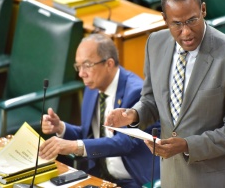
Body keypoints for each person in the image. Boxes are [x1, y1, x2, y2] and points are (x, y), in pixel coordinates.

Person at [105, 0, 225, 188]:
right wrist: (134, 114)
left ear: (203, 10)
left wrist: (187, 145)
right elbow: (151, 100)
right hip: (171, 176)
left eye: (192, 20)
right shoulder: (155, 44)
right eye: (177, 24)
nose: (186, 32)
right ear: (164, 19)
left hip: (214, 179)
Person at [39, 34, 160, 188]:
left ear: (109, 63)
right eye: (78, 66)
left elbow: (124, 144)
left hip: (133, 181)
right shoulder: (93, 86)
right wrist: (61, 128)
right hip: (98, 175)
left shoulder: (136, 92)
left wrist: (73, 146)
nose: (81, 73)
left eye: (87, 65)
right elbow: (90, 135)